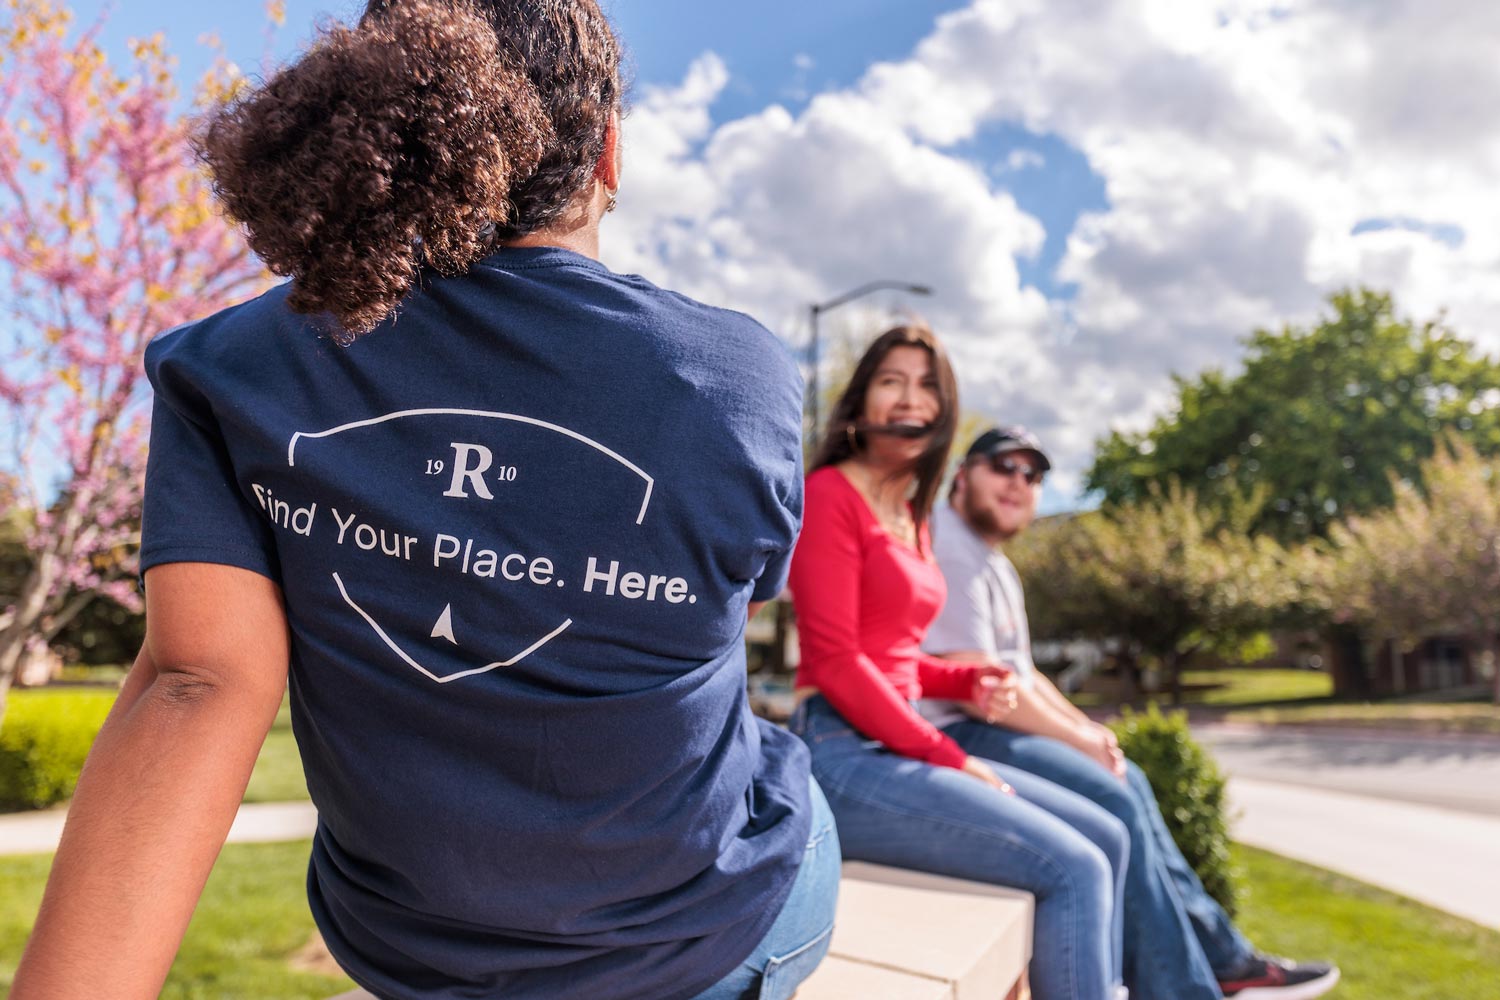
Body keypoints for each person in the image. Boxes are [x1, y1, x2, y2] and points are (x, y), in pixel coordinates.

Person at [12, 3, 838, 999]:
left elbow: (196, 685)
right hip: (694, 944)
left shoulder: (232, 366)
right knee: (791, 779)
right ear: (609, 152)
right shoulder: (735, 377)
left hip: (407, 952)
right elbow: (741, 602)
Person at [923, 426, 1342, 1000]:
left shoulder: (993, 561)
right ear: (963, 474)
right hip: (958, 731)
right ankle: (1192, 984)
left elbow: (1026, 674)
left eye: (1034, 474)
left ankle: (1224, 958)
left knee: (1129, 779)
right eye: (1004, 466)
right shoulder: (949, 545)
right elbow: (980, 684)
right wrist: (1077, 737)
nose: (1019, 483)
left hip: (991, 723)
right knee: (1116, 797)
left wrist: (1086, 731)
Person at [787, 325, 1130, 1000]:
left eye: (927, 385)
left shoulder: (912, 516)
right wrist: (949, 754)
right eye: (892, 381)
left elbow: (898, 657)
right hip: (843, 753)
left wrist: (965, 678)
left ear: (944, 410)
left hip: (896, 742)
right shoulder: (830, 493)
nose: (910, 398)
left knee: (1109, 833)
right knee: (1076, 867)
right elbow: (837, 661)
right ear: (860, 405)